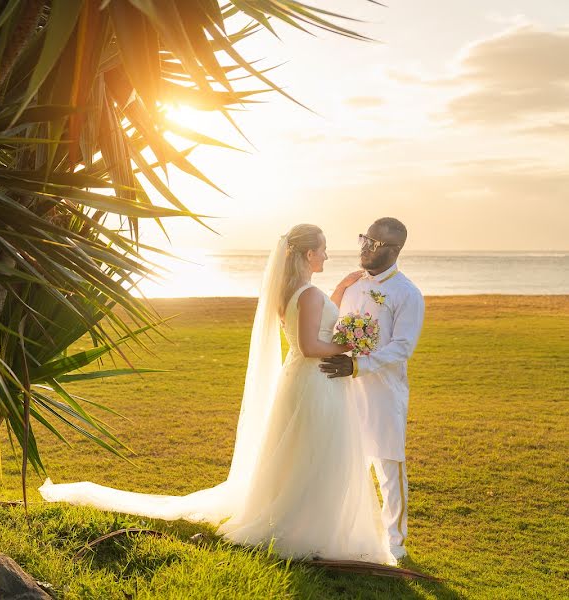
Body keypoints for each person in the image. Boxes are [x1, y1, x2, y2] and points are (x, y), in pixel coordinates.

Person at [39, 224, 394, 564]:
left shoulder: (293, 292)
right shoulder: (309, 294)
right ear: (308, 253)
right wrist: (347, 344)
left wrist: (342, 289)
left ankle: (303, 518)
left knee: (302, 450)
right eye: (324, 250)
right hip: (317, 379)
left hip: (302, 378)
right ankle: (309, 527)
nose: (328, 256)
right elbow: (310, 343)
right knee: (317, 451)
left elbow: (313, 320)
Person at [320, 217, 425, 561]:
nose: (364, 247)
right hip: (343, 389)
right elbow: (332, 325)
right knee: (345, 462)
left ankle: (395, 541)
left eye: (374, 243)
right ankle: (340, 531)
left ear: (394, 250)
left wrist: (359, 365)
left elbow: (402, 348)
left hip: (382, 393)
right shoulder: (352, 284)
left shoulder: (407, 293)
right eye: (365, 238)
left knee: (388, 466)